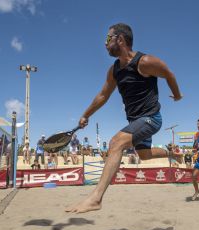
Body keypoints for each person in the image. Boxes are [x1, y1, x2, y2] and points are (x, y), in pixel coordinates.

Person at [65, 23, 182, 213]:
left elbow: (168, 74)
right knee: (144, 155)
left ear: (120, 39)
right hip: (136, 122)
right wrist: (86, 114)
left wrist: (177, 95)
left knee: (116, 143)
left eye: (107, 39)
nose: (104, 44)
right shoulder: (114, 70)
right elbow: (103, 95)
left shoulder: (144, 62)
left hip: (151, 118)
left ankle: (95, 199)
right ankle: (172, 154)